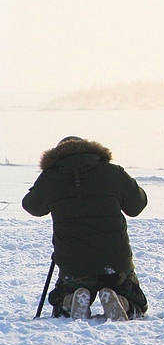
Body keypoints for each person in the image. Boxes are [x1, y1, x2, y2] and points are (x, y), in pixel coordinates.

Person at [22, 136, 148, 321]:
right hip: (115, 261)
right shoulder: (113, 172)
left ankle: (72, 301)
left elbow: (31, 206)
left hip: (73, 265)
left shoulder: (50, 177)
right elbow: (137, 205)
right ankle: (122, 302)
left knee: (60, 304)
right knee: (137, 302)